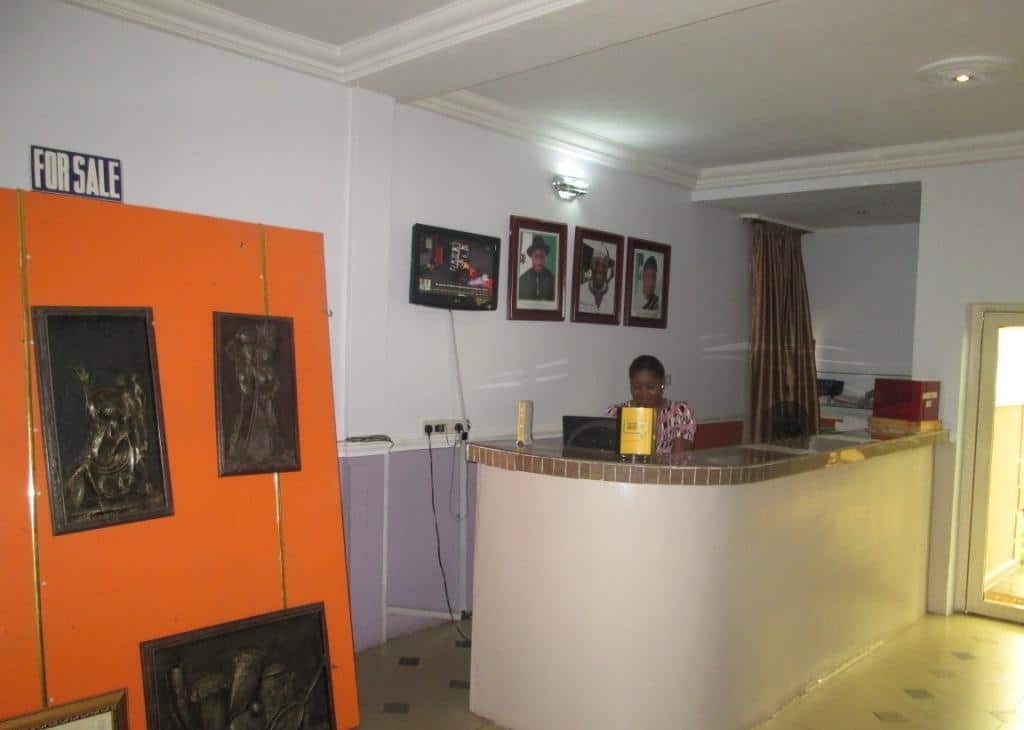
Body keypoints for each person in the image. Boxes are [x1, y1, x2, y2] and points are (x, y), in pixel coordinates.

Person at [607, 355, 696, 453]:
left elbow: (678, 458)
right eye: (637, 387)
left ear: (662, 384)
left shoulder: (679, 412)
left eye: (650, 387)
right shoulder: (618, 413)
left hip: (667, 464)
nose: (643, 393)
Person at [577, 244, 614, 314]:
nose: (600, 268)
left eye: (603, 265)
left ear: (607, 268)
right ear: (591, 265)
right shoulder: (579, 292)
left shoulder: (613, 296)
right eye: (596, 264)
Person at [518, 234, 555, 301]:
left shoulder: (551, 280)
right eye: (536, 256)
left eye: (542, 256)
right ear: (531, 257)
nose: (539, 260)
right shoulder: (522, 280)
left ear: (545, 257)